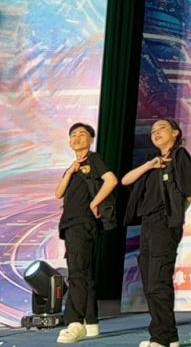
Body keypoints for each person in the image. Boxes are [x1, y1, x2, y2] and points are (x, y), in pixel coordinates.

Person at [122, 119, 191, 347]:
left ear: (175, 133)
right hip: (148, 224)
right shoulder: (153, 161)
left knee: (158, 282)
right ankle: (169, 336)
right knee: (150, 282)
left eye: (161, 128)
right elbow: (126, 180)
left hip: (164, 223)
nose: (156, 133)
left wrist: (173, 219)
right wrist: (150, 165)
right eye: (153, 131)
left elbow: (188, 194)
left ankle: (161, 338)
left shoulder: (180, 156)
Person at [55, 123, 118, 344]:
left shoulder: (93, 159)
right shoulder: (73, 167)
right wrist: (70, 172)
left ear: (91, 139)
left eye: (82, 134)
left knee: (77, 274)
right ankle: (91, 322)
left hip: (82, 223)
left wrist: (95, 202)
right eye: (73, 135)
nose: (77, 137)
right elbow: (58, 193)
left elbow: (111, 180)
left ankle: (75, 321)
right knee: (85, 273)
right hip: (71, 224)